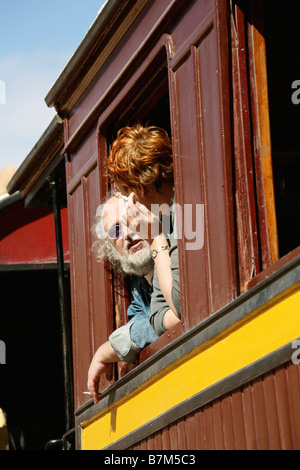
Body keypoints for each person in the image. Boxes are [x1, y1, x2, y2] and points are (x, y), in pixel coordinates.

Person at [107, 124, 181, 336]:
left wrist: (156, 239)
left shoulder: (182, 212)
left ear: (138, 188)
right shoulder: (164, 220)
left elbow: (180, 305)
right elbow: (157, 316)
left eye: (125, 193)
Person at [87, 192, 159, 404]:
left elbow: (168, 320)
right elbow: (141, 321)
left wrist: (105, 351)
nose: (127, 233)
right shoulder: (139, 280)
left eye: (131, 219)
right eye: (116, 230)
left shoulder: (174, 255)